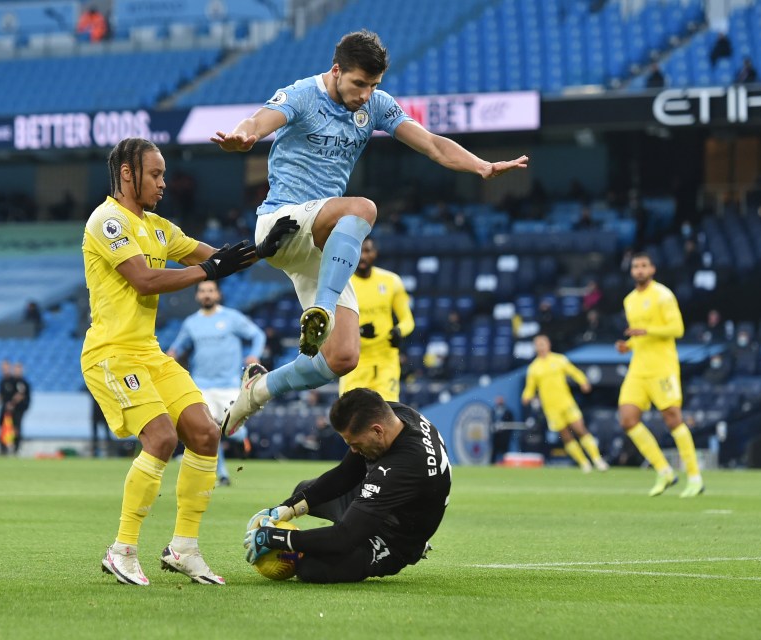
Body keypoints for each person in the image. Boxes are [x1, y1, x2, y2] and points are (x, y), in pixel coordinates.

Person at [211, 29, 528, 435]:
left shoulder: (376, 105)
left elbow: (431, 144)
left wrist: (480, 166)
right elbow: (259, 120)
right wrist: (245, 136)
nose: (365, 94)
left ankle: (257, 391)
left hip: (323, 245)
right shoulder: (302, 94)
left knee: (342, 358)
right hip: (283, 222)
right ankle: (320, 310)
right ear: (337, 70)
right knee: (363, 208)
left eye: (373, 85)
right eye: (359, 84)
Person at [82, 137, 297, 586]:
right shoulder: (106, 221)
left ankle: (184, 549)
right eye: (155, 174)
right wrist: (210, 270)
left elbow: (216, 257)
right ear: (127, 174)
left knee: (203, 433)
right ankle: (121, 550)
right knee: (160, 438)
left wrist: (267, 245)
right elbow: (144, 280)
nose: (164, 183)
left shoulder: (160, 227)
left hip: (149, 353)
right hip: (112, 355)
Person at [243, 388, 451, 583]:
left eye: (356, 444)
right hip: (386, 502)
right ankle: (347, 519)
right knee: (303, 493)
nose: (353, 451)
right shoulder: (391, 415)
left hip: (394, 537)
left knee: (311, 569)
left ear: (377, 431)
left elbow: (343, 537)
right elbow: (346, 474)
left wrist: (275, 537)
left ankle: (415, 548)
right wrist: (287, 508)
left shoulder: (403, 466)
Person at [615, 252, 704, 497]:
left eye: (644, 266)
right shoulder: (629, 300)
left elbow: (677, 328)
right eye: (636, 266)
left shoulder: (663, 295)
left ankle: (695, 477)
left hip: (662, 367)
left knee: (673, 418)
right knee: (627, 420)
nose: (640, 270)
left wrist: (646, 330)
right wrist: (628, 345)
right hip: (638, 368)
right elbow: (637, 335)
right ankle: (664, 471)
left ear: (652, 269)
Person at [165, 280, 266, 486]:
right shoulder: (191, 322)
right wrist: (170, 356)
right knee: (209, 431)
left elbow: (257, 335)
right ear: (197, 296)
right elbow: (177, 347)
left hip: (228, 384)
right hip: (201, 385)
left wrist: (254, 354)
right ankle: (222, 475)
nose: (206, 294)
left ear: (218, 294)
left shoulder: (231, 318)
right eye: (202, 291)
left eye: (210, 291)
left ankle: (242, 440)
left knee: (232, 431)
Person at [339, 237, 414, 401]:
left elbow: (408, 320)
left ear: (375, 253)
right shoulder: (342, 284)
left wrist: (399, 331)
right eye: (359, 251)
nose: (363, 256)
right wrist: (357, 331)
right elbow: (332, 326)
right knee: (351, 415)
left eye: (367, 251)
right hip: (355, 360)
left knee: (387, 412)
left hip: (386, 359)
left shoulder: (391, 281)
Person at [521, 335, 607, 473]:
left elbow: (573, 371)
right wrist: (526, 396)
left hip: (566, 403)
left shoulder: (559, 359)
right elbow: (530, 388)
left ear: (548, 344)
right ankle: (584, 463)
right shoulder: (533, 368)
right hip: (551, 408)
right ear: (535, 347)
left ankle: (597, 459)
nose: (541, 347)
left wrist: (583, 381)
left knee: (580, 429)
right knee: (566, 436)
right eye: (538, 345)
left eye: (543, 344)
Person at [0, 359, 18, 456]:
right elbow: (1, 394)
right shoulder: (1, 381)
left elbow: (19, 394)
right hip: (4, 408)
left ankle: (15, 449)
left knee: (14, 428)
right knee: (1, 426)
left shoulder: (14, 380)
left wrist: (12, 403)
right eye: (2, 367)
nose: (4, 369)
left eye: (5, 367)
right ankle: (3, 449)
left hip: (13, 409)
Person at [9, 362, 31, 454]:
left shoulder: (23, 383)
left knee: (16, 427)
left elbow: (21, 395)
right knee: (8, 426)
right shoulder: (10, 381)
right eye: (16, 369)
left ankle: (16, 447)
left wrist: (12, 403)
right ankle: (7, 445)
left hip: (19, 409)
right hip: (10, 409)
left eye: (19, 369)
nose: (17, 371)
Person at [490, 396, 515, 464]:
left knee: (505, 453)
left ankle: (506, 464)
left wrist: (504, 428)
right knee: (494, 452)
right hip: (496, 436)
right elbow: (490, 422)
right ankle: (492, 465)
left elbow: (511, 424)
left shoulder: (508, 411)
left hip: (504, 437)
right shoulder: (493, 410)